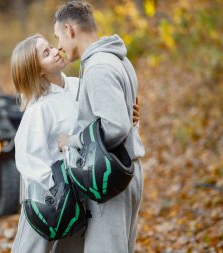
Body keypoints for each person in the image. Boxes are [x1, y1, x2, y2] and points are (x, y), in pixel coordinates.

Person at [9, 34, 140, 253]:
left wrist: (128, 116)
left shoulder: (78, 85)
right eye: (46, 53)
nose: (55, 51)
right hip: (46, 198)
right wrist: (56, 192)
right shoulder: (38, 109)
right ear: (37, 70)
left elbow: (102, 123)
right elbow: (28, 159)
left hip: (80, 189)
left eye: (51, 46)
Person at [54, 2, 145, 253]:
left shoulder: (98, 67)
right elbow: (126, 114)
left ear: (70, 30)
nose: (58, 45)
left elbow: (115, 127)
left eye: (58, 36)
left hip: (109, 178)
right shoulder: (117, 58)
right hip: (125, 171)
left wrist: (71, 141)